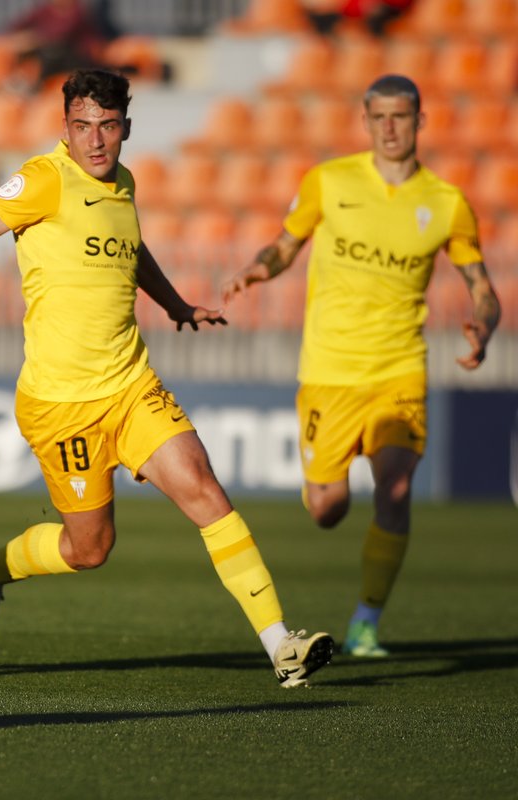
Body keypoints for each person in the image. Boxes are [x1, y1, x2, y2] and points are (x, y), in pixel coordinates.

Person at [0, 69, 333, 688]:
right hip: (62, 406)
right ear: (66, 129)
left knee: (205, 490)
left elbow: (131, 250)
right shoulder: (45, 179)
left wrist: (175, 304)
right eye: (82, 126)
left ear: (125, 128)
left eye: (107, 126)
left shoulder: (124, 183)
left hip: (131, 386)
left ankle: (280, 646)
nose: (96, 140)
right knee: (90, 550)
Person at [221, 74, 501, 659]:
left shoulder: (447, 203)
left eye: (402, 116)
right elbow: (284, 243)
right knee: (326, 509)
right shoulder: (329, 181)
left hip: (399, 369)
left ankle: (366, 622)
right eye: (380, 118)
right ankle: (328, 495)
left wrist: (485, 319)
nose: (391, 128)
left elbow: (480, 283)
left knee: (395, 490)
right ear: (366, 121)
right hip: (328, 370)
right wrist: (257, 268)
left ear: (420, 120)